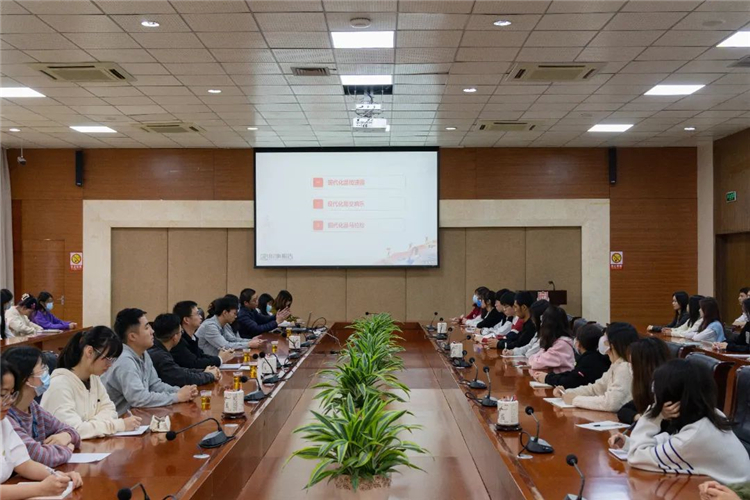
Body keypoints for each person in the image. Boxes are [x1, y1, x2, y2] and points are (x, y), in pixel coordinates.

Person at [610, 359, 750, 485]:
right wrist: (629, 444)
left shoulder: (693, 437)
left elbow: (636, 458)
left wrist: (654, 416)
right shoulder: (711, 414)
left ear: (671, 399)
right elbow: (671, 442)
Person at [40, 327, 141, 439]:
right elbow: (73, 431)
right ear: (89, 352)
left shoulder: (94, 379)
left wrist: (89, 426)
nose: (110, 364)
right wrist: (118, 425)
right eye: (108, 358)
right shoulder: (59, 385)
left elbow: (111, 411)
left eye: (113, 360)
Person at [0, 360, 83, 498]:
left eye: (12, 394)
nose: (9, 401)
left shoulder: (4, 423)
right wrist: (40, 489)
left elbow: (25, 464)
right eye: (3, 395)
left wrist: (59, 476)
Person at [102, 308, 197, 415]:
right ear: (132, 336)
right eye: (146, 328)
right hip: (118, 419)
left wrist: (179, 391)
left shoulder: (143, 353)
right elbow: (139, 399)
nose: (152, 331)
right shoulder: (124, 361)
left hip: (137, 416)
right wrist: (176, 397)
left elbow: (155, 385)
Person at [1, 347, 81, 467]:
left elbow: (72, 431)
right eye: (42, 368)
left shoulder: (32, 406)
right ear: (27, 378)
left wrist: (67, 435)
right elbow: (41, 457)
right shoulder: (6, 415)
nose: (46, 372)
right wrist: (68, 448)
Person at [554, 322, 638, 412]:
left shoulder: (625, 368)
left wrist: (575, 400)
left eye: (606, 341)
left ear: (613, 345)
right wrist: (567, 393)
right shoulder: (616, 365)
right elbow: (596, 389)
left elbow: (611, 403)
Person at [148, 313, 220, 387]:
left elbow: (179, 370)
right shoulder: (160, 356)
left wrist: (204, 371)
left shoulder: (158, 349)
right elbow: (182, 378)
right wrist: (210, 375)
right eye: (181, 332)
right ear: (175, 337)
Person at [535, 323, 611, 389]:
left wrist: (547, 378)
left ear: (579, 344)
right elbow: (572, 374)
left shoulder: (589, 361)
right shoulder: (596, 357)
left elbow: (570, 381)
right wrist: (549, 376)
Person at [617, 337, 672, 425]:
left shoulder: (669, 389)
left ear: (644, 366)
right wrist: (640, 417)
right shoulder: (647, 386)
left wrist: (648, 419)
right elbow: (624, 411)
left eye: (632, 364)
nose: (630, 368)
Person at [171, 301, 233, 369]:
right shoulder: (179, 340)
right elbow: (194, 363)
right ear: (186, 320)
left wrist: (219, 358)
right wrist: (220, 359)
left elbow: (201, 356)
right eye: (197, 314)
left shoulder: (193, 337)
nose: (200, 317)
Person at [196, 297, 264, 357]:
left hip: (218, 360)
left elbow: (232, 339)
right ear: (225, 313)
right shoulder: (210, 326)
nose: (236, 316)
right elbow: (225, 346)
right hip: (206, 363)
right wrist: (249, 344)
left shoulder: (224, 324)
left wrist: (251, 340)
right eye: (234, 313)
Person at [528, 305, 575, 377]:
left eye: (542, 322)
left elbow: (537, 363)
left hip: (561, 381)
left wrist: (533, 359)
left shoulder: (562, 345)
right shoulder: (554, 341)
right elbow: (534, 357)